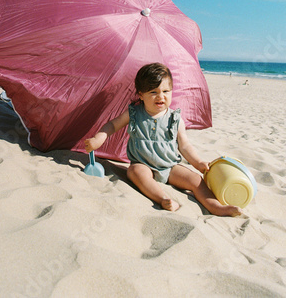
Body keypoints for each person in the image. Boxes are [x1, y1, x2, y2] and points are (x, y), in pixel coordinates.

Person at [85, 63, 242, 217]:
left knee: (195, 179)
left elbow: (185, 146)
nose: (161, 96)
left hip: (170, 167)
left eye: (166, 91)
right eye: (153, 92)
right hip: (143, 165)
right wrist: (99, 138)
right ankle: (163, 198)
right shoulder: (134, 113)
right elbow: (112, 125)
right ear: (141, 94)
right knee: (134, 172)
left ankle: (216, 206)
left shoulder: (175, 119)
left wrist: (198, 162)